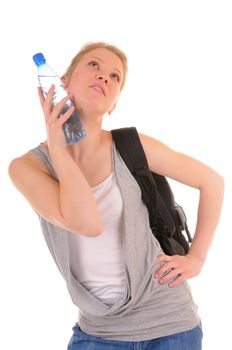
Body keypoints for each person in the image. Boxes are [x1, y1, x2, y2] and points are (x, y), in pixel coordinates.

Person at [8, 42, 224, 350]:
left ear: (113, 104)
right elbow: (86, 223)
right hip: (98, 333)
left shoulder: (131, 146)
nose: (105, 78)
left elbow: (211, 181)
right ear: (62, 81)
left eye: (115, 76)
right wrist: (59, 146)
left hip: (171, 325)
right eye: (94, 65)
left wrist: (197, 258)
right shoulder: (27, 167)